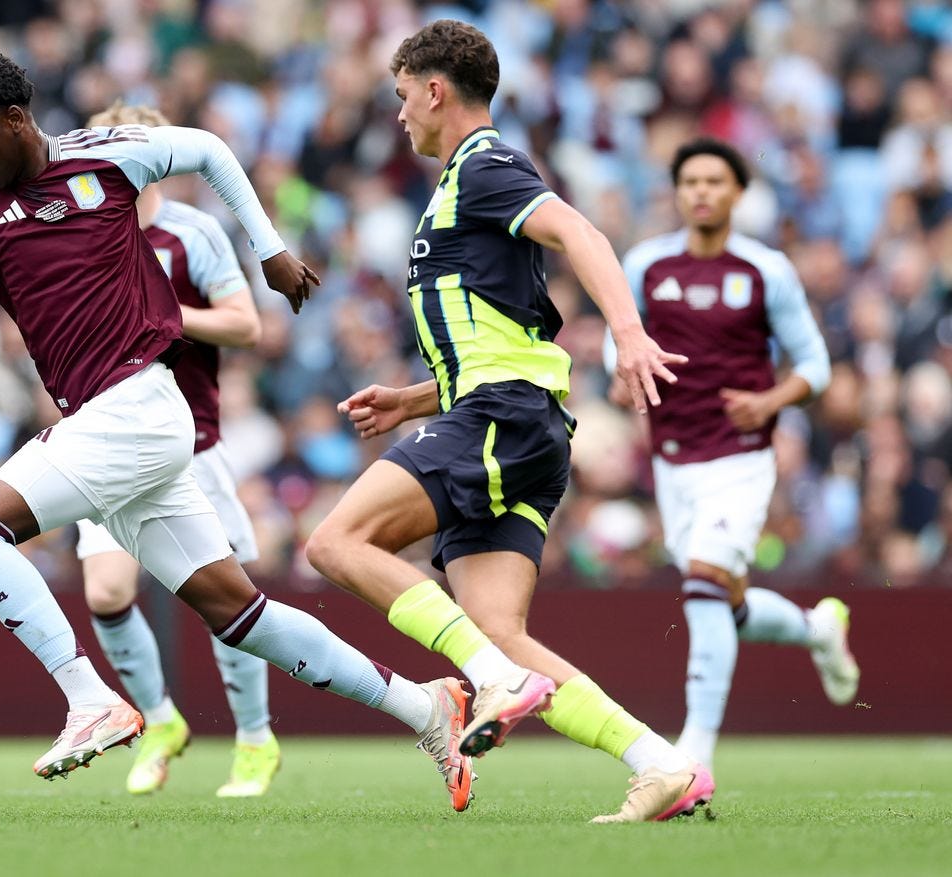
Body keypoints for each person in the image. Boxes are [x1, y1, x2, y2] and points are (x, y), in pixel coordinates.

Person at [0, 51, 474, 810]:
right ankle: (425, 708)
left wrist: (268, 248)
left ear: (16, 119)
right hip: (125, 425)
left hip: (136, 407)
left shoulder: (104, 161)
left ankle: (87, 697)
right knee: (237, 613)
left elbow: (206, 149)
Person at [304, 20, 711, 823]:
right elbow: (511, 333)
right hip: (510, 413)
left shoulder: (485, 166)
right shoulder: (463, 182)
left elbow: (580, 232)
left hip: (505, 414)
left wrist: (629, 333)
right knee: (498, 632)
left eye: (400, 100)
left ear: (434, 89)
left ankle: (491, 681)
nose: (398, 118)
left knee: (336, 543)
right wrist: (415, 398)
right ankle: (659, 762)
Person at [611, 137, 860, 774]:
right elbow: (623, 345)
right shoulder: (645, 265)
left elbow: (816, 367)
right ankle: (815, 630)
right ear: (676, 191)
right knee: (725, 600)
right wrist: (620, 370)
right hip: (672, 458)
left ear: (738, 194)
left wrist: (770, 400)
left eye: (715, 181)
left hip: (741, 455)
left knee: (701, 584)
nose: (701, 191)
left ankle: (693, 755)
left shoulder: (764, 269)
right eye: (690, 180)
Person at [74, 102, 277, 798]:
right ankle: (160, 719)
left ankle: (254, 737)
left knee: (226, 599)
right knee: (105, 590)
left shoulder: (193, 232)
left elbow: (247, 325)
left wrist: (163, 314)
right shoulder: (82, 232)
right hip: (105, 439)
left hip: (190, 440)